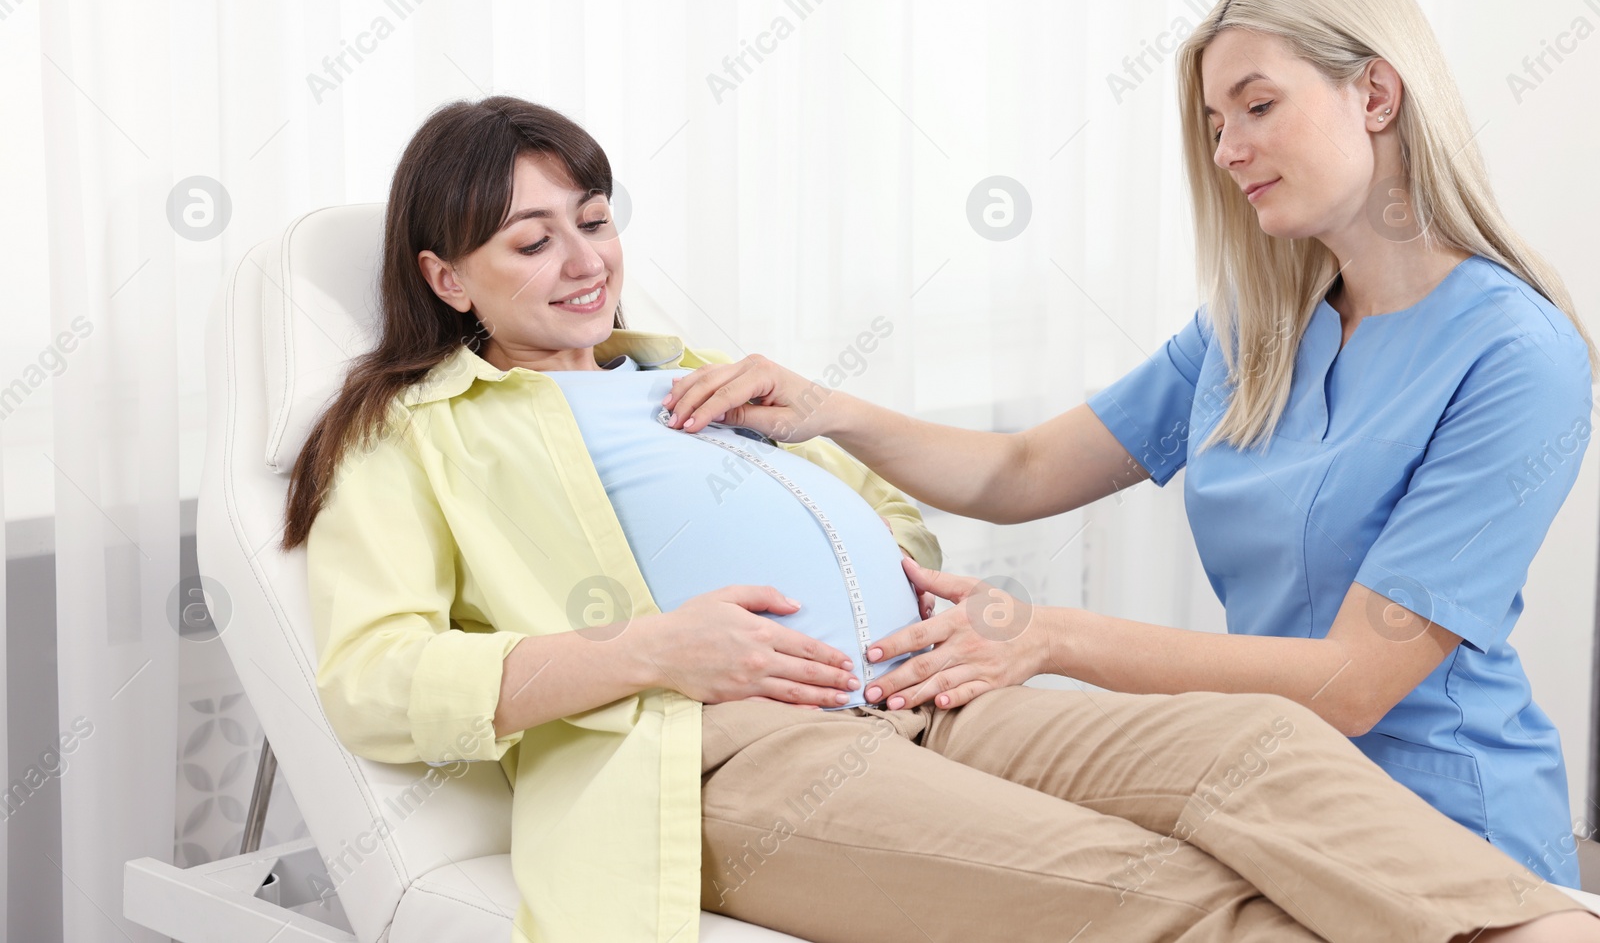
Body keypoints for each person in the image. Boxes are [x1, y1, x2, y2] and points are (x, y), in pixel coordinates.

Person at [282, 95, 1597, 942]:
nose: (584, 259)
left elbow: (908, 524)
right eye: (531, 242)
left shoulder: (686, 374)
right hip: (738, 750)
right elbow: (377, 676)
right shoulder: (414, 433)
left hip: (934, 683)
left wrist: (870, 521)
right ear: (442, 276)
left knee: (1252, 750)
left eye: (594, 218)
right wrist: (651, 650)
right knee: (1136, 878)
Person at [661, 0, 1598, 894]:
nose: (1228, 150)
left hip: (1444, 826)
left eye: (1258, 106)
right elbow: (1020, 470)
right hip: (1272, 794)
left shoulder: (1518, 358)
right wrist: (829, 409)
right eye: (1215, 121)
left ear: (1376, 95)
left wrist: (1049, 636)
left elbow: (1358, 678)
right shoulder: (1253, 330)